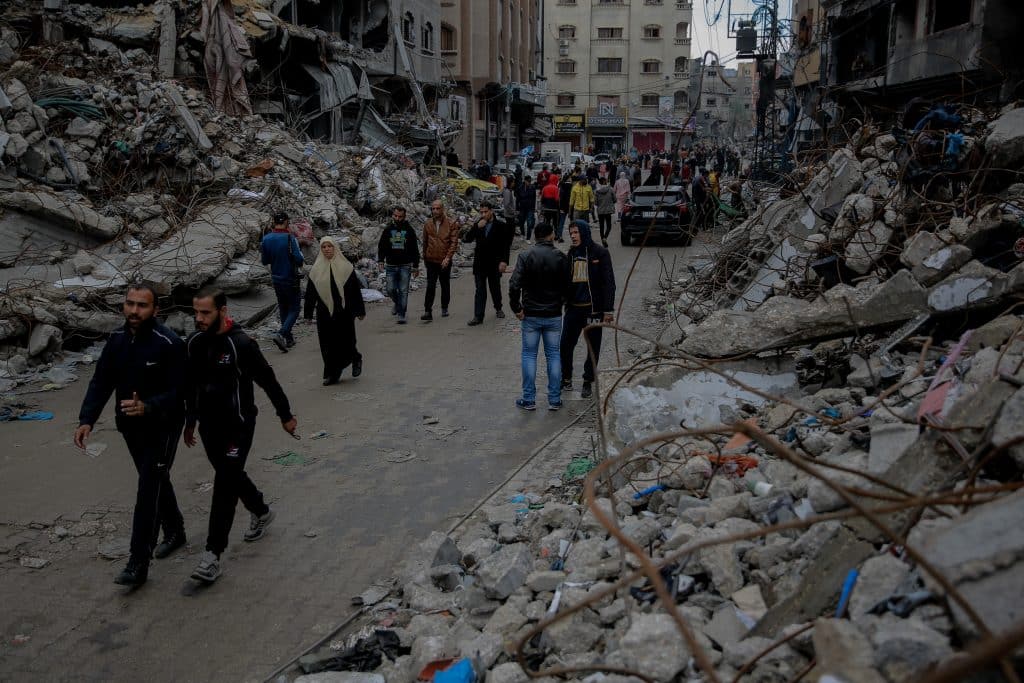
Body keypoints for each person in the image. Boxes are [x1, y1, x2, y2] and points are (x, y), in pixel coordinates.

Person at [74, 283, 187, 587]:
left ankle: (138, 562)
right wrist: (87, 419)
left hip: (163, 426)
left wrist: (148, 406)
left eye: (142, 306)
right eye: (130, 304)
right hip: (130, 427)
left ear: (155, 310)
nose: (134, 311)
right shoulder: (117, 341)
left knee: (147, 490)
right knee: (155, 479)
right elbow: (101, 382)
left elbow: (181, 393)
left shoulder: (169, 343)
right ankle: (175, 529)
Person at [184, 288, 297, 583]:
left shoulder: (241, 345)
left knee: (224, 482)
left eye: (205, 313)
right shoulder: (195, 343)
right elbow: (192, 384)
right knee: (230, 474)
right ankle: (260, 510)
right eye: (196, 312)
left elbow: (268, 380)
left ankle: (212, 555)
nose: (199, 318)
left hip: (239, 424)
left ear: (222, 310)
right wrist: (190, 420)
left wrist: (285, 415)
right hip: (209, 426)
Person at [508, 221, 569, 411]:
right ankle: (554, 399)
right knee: (553, 355)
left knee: (529, 355)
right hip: (553, 314)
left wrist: (516, 308)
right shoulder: (560, 256)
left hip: (531, 314)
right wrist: (561, 302)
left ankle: (529, 399)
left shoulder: (525, 256)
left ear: (535, 236)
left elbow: (514, 285)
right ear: (551, 235)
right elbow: (568, 286)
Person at [561, 220, 616, 400]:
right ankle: (566, 378)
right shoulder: (571, 254)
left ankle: (587, 381)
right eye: (571, 234)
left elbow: (609, 283)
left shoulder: (600, 253)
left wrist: (608, 310)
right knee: (566, 345)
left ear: (584, 232)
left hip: (593, 310)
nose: (574, 236)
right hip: (573, 309)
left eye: (576, 232)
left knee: (593, 347)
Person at [304, 236, 365, 385]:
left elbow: (354, 291)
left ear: (335, 248)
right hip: (324, 311)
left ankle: (355, 358)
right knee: (327, 343)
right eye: (323, 247)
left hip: (344, 310)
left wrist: (359, 310)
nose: (327, 249)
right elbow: (311, 293)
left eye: (329, 246)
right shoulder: (316, 270)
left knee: (347, 340)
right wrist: (308, 314)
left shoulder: (346, 267)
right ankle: (333, 373)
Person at [464, 200, 513, 325]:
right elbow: (468, 239)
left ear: (491, 211)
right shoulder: (478, 224)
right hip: (480, 263)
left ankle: (498, 307)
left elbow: (505, 245)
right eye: (481, 212)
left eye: (486, 212)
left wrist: (504, 261)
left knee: (494, 287)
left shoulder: (501, 226)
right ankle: (478, 316)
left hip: (494, 263)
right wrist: (476, 227)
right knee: (480, 290)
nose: (484, 214)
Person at [260, 211, 303, 352]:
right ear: (285, 222)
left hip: (276, 278)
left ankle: (288, 339)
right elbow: (299, 259)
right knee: (295, 308)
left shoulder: (266, 239)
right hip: (290, 278)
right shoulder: (289, 238)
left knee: (284, 307)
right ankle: (282, 333)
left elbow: (265, 260)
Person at [377, 206, 420, 324]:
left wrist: (416, 265)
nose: (397, 218)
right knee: (390, 289)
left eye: (400, 217)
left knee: (403, 290)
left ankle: (401, 314)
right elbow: (382, 246)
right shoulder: (387, 230)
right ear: (392, 215)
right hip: (390, 265)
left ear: (404, 217)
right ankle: (397, 303)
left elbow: (414, 249)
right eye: (395, 216)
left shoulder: (409, 230)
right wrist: (380, 260)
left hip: (405, 265)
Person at [421, 200, 459, 320]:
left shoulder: (451, 223)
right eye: (433, 209)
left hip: (444, 260)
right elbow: (425, 241)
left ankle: (444, 306)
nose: (435, 211)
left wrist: (448, 257)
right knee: (430, 286)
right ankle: (428, 311)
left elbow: (453, 242)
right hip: (431, 259)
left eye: (438, 209)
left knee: (444, 284)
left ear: (442, 209)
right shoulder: (428, 224)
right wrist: (425, 256)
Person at [594, 176, 615, 247]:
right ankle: (605, 238)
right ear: (605, 182)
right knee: (609, 226)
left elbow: (596, 203)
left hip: (600, 211)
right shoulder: (610, 189)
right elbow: (615, 199)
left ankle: (602, 239)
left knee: (601, 226)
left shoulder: (597, 191)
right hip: (608, 210)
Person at [516, 175, 537, 241]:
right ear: (525, 181)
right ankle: (522, 234)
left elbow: (534, 198)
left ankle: (528, 238)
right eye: (528, 181)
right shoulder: (520, 188)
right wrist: (517, 209)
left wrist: (534, 208)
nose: (529, 183)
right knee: (521, 222)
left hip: (530, 208)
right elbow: (517, 199)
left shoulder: (532, 187)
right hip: (522, 208)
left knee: (529, 223)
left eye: (530, 181)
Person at [557, 172, 574, 242]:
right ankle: (574, 236)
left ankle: (560, 235)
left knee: (561, 222)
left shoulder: (561, 187)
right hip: (571, 206)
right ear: (568, 179)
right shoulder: (572, 187)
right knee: (573, 223)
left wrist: (560, 208)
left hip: (563, 207)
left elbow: (560, 198)